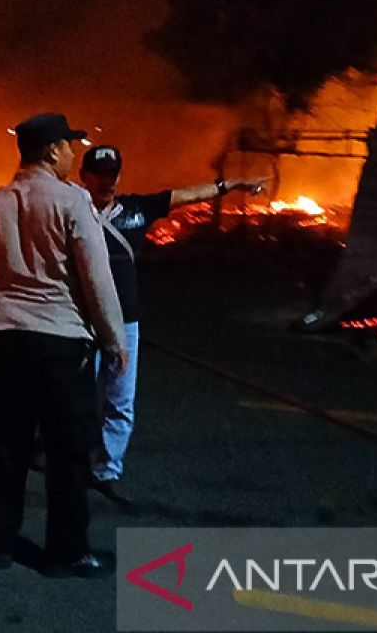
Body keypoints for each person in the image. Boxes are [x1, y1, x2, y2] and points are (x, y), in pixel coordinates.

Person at [0, 113, 127, 579]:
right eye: (69, 146)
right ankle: (66, 552)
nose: (74, 153)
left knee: (5, 445)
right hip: (59, 342)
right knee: (68, 451)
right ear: (52, 151)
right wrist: (113, 338)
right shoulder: (72, 201)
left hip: (6, 340)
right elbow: (96, 277)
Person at [77, 144, 265, 505]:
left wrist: (233, 184)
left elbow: (186, 195)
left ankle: (106, 470)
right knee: (77, 395)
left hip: (125, 322)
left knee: (120, 399)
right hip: (82, 320)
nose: (107, 180)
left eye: (112, 172)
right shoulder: (72, 211)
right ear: (84, 177)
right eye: (99, 173)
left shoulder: (135, 210)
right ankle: (68, 459)